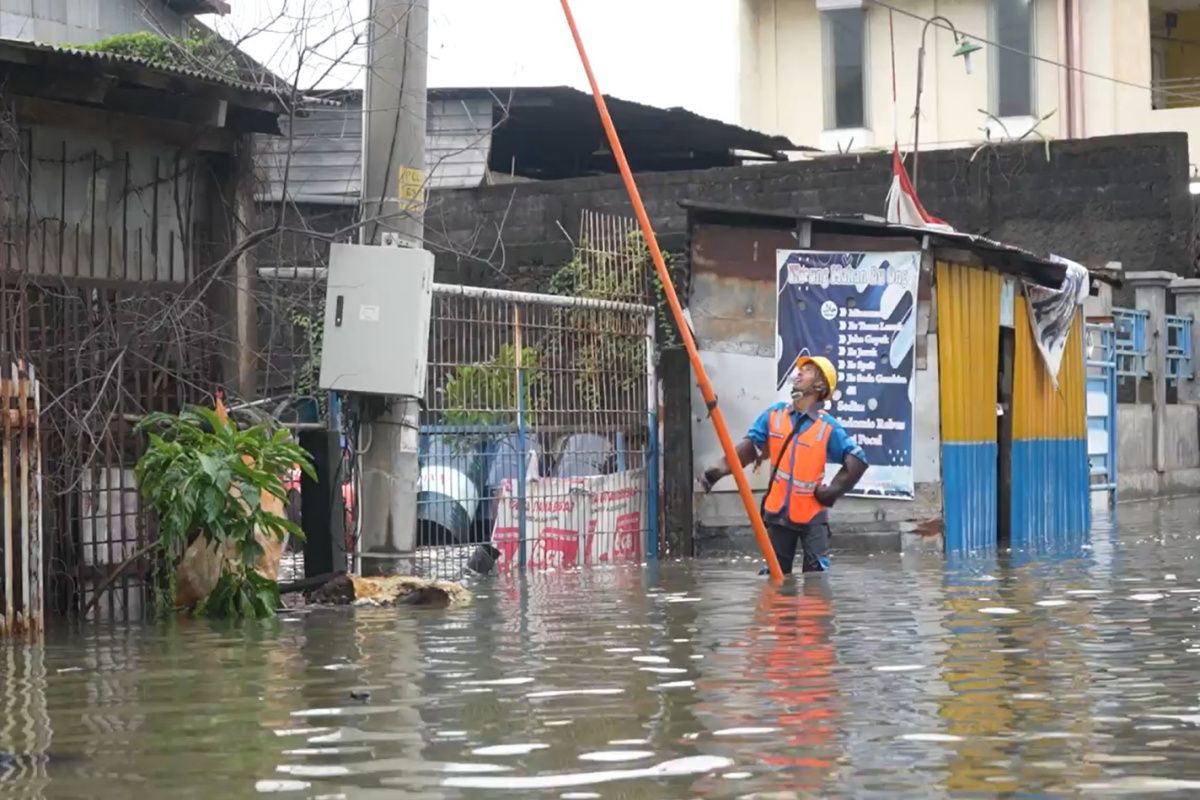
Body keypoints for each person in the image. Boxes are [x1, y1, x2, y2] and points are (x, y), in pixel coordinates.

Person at [699, 355, 868, 574]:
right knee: (775, 576)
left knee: (815, 581)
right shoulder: (775, 415)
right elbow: (749, 449)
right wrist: (717, 471)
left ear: (820, 385)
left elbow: (857, 460)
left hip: (812, 517)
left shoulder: (828, 428)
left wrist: (832, 492)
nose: (798, 373)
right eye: (800, 369)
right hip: (778, 514)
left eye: (807, 371)